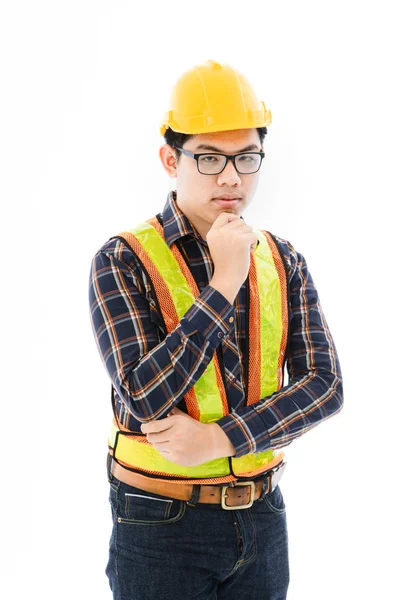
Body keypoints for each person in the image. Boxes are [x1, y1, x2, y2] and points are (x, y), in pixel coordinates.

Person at [88, 59, 344, 600]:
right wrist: (223, 283)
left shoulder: (283, 259)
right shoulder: (122, 259)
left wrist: (218, 439)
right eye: (208, 157)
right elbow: (143, 394)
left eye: (246, 157)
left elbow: (324, 386)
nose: (231, 177)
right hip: (159, 522)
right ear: (169, 158)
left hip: (263, 515)